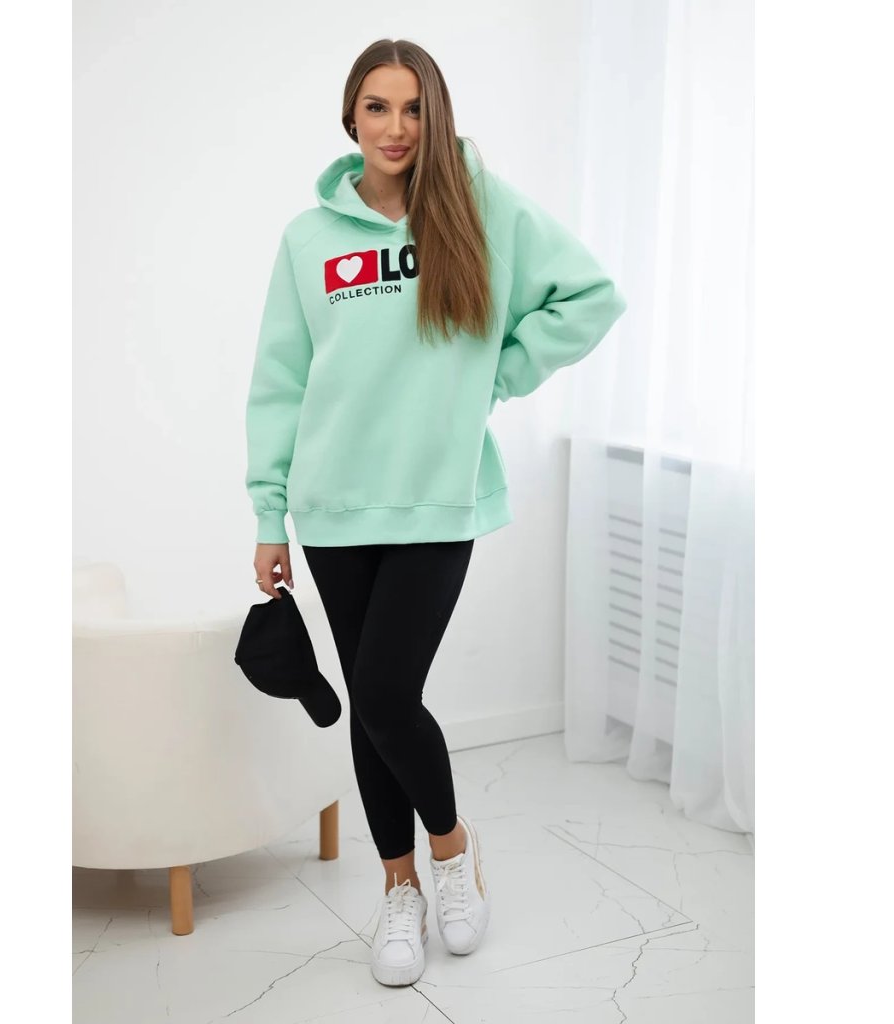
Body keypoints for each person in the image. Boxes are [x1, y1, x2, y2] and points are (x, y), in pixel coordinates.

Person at [244, 38, 627, 987]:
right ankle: (399, 887)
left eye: (414, 108)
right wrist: (268, 514)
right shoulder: (307, 239)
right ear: (351, 117)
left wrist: (495, 376)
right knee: (371, 711)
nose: (397, 127)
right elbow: (281, 382)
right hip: (333, 507)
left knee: (383, 695)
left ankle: (452, 852)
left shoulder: (478, 207)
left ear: (436, 115)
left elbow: (590, 295)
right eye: (378, 108)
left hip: (438, 499)